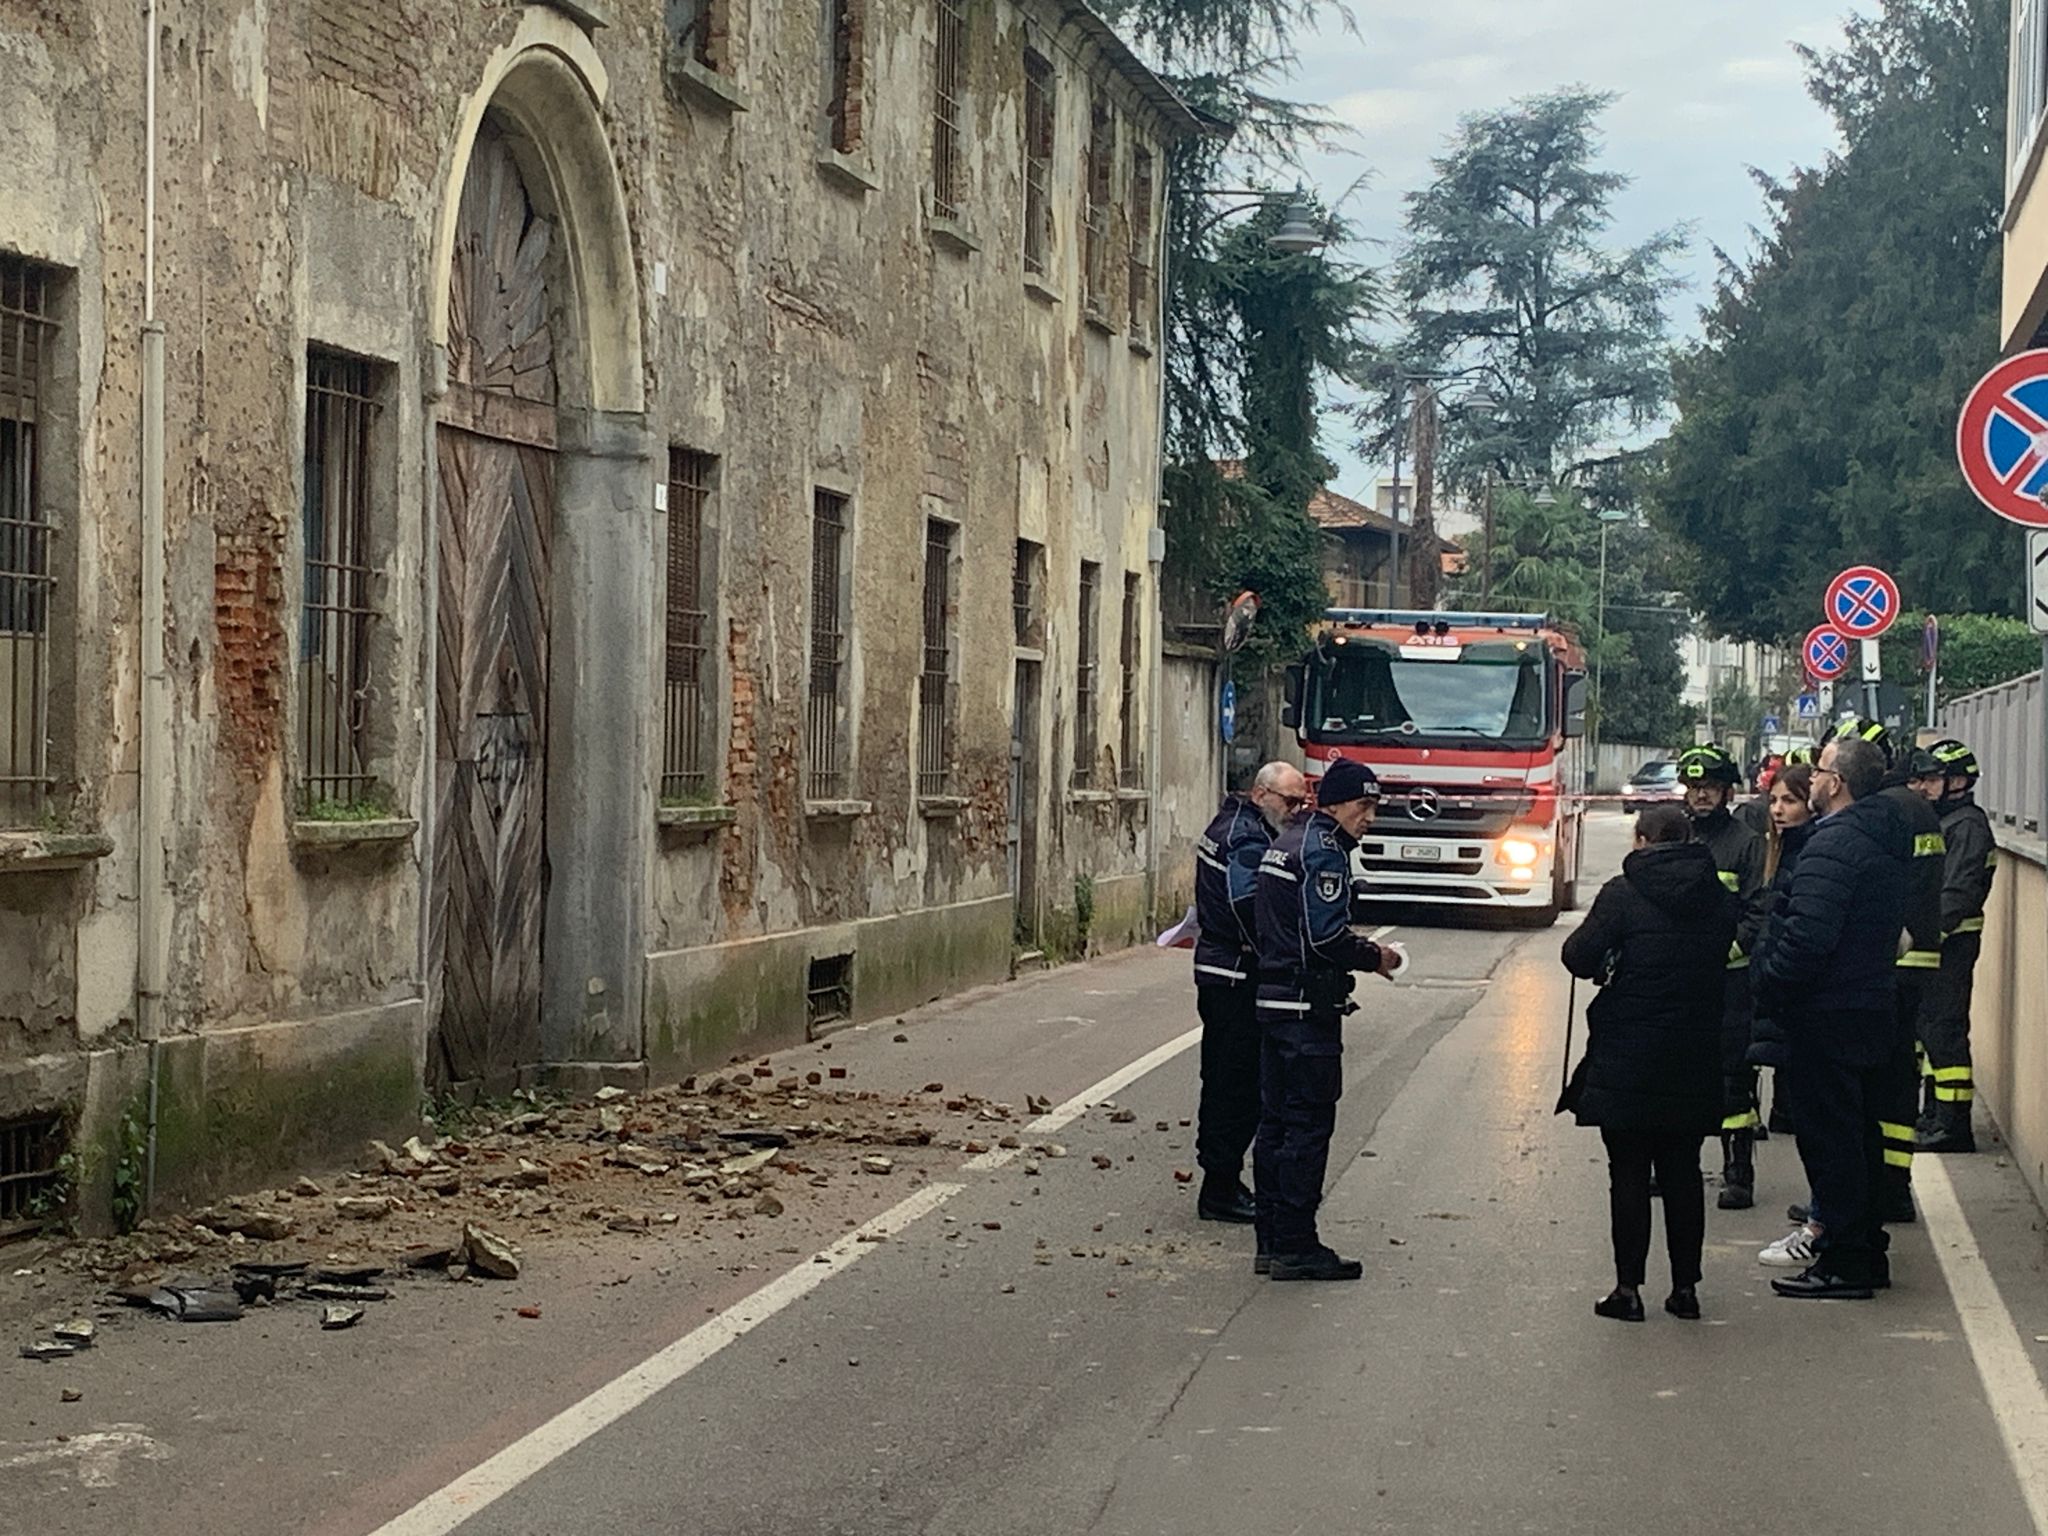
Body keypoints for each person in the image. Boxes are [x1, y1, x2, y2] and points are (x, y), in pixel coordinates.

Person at [1561, 805, 1738, 1323]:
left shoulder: (1622, 893)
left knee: (1629, 1173)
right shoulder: (1718, 898)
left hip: (1628, 1056)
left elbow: (1578, 957)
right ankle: (1686, 1290)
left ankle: (1627, 1289)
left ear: (1642, 840)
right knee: (1684, 1171)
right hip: (1694, 1051)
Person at [1754, 734, 1904, 1299]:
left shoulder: (1833, 844)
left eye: (1818, 771)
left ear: (1836, 783)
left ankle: (1843, 1260)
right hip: (1865, 1005)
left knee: (1832, 1141)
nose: (1810, 779)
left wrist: (1768, 980)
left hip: (1827, 1012)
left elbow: (1808, 937)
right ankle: (1861, 1248)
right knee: (1858, 1133)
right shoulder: (1880, 836)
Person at [1251, 758, 1399, 1282]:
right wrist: (1374, 956)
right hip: (1304, 1010)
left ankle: (1270, 1240)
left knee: (1274, 1125)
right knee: (1307, 1127)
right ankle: (1296, 1243)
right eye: (1363, 806)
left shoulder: (1284, 843)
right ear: (1334, 804)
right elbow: (1325, 937)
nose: (1370, 817)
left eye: (1375, 807)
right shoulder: (1323, 852)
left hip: (1272, 1000)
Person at [1190, 761, 1309, 1222]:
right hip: (1235, 975)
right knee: (1236, 1084)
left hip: (1223, 969)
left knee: (1225, 1079)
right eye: (1290, 801)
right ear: (1261, 795)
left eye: (1302, 802)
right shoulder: (1246, 837)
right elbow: (1247, 903)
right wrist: (1281, 948)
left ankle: (1221, 1180)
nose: (1296, 811)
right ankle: (1219, 1187)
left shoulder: (1232, 822)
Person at [1838, 721, 1946, 1225]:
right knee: (1900, 1075)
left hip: (1886, 962)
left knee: (1871, 1080)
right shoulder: (1917, 809)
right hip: (1917, 957)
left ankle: (1871, 1191)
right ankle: (1894, 1186)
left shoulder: (1882, 814)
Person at [1676, 744, 1768, 1210]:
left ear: (1727, 791)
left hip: (1731, 982)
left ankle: (1739, 1173)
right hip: (1684, 982)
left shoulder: (1745, 842)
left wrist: (1726, 952)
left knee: (1734, 1077)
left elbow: (1758, 912)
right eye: (1694, 788)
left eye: (1709, 788)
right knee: (1679, 1075)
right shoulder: (1677, 838)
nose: (1700, 796)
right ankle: (1674, 1166)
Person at [1916, 739, 1996, 1154]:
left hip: (1953, 944)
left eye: (1933, 780)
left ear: (1959, 781)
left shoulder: (1967, 826)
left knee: (1945, 1031)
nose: (1925, 787)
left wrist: (1924, 934)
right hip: (1939, 943)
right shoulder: (1948, 822)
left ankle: (1953, 1125)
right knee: (1929, 1030)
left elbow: (1958, 894)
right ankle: (1934, 1115)